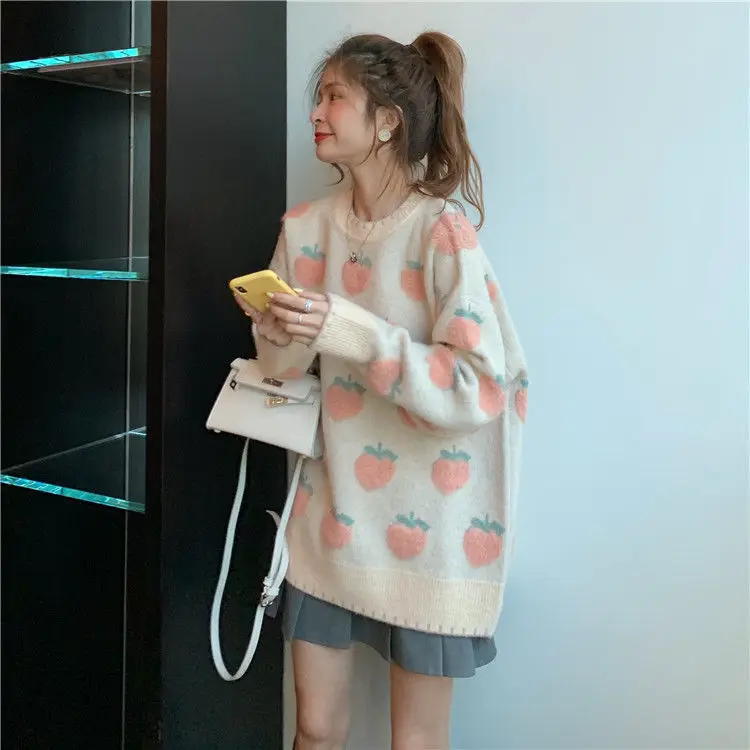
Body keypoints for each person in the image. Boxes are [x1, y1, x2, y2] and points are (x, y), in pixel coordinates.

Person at [235, 30, 528, 750]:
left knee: (415, 743)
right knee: (314, 730)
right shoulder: (304, 228)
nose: (316, 112)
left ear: (388, 120)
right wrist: (277, 330)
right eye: (318, 97)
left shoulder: (442, 232)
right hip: (330, 520)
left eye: (334, 96)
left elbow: (478, 388)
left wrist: (351, 330)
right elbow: (281, 372)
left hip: (434, 532)